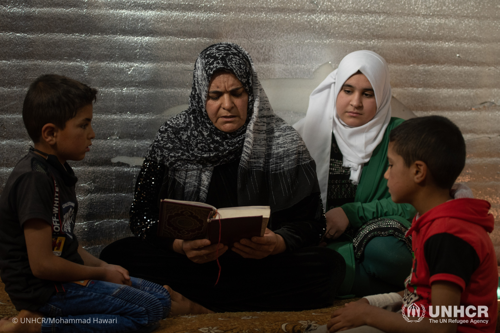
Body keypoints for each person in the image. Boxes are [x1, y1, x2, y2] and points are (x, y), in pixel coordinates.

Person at [99, 43, 345, 312]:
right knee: (118, 255)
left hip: (260, 265)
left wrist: (277, 243)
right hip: (192, 264)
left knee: (329, 265)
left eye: (236, 93)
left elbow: (311, 222)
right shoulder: (174, 137)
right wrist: (181, 246)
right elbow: (142, 215)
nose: (227, 105)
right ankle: (239, 303)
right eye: (215, 95)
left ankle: (193, 303)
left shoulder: (283, 141)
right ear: (200, 96)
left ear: (250, 93)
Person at [0, 74, 209, 333]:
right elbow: (42, 264)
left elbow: (66, 246)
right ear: (51, 133)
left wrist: (103, 266)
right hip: (44, 291)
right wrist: (99, 275)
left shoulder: (57, 172)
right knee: (148, 312)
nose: (92, 134)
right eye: (83, 125)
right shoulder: (35, 179)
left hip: (62, 282)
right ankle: (36, 325)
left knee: (159, 295)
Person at [324, 116, 497, 333]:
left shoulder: (448, 235)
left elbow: (442, 327)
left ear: (418, 171)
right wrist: (372, 303)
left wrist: (370, 315)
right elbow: (421, 292)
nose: (386, 173)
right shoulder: (431, 221)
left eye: (391, 164)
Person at [294, 50, 416, 297]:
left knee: (389, 253)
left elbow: (414, 205)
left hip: (377, 244)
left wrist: (351, 213)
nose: (356, 102)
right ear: (336, 89)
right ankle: (390, 292)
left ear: (381, 96)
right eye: (348, 90)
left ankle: (334, 281)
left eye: (368, 94)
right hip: (318, 243)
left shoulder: (401, 136)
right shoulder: (307, 134)